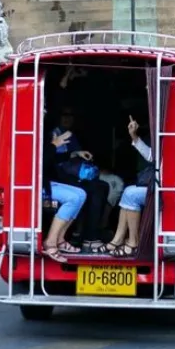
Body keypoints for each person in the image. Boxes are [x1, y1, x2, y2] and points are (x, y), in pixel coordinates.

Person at [51, 106, 117, 252]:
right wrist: (74, 154)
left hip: (72, 175)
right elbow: (54, 159)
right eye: (64, 114)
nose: (67, 118)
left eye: (71, 115)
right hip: (58, 178)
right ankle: (89, 237)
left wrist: (77, 153)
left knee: (102, 186)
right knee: (95, 189)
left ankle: (90, 231)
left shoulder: (71, 134)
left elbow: (69, 156)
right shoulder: (55, 133)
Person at [103, 115, 154, 258]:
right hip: (159, 184)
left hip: (166, 188)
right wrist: (134, 136)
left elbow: (153, 158)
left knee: (130, 194)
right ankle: (118, 239)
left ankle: (133, 242)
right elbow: (152, 157)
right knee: (129, 192)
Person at [42, 129, 87, 263]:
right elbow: (40, 161)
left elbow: (51, 159)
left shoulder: (42, 134)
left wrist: (75, 153)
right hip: (31, 186)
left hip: (44, 183)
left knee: (81, 194)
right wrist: (54, 145)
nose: (43, 112)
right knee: (72, 198)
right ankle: (50, 242)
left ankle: (60, 240)